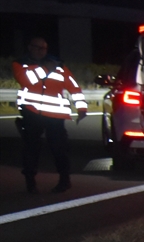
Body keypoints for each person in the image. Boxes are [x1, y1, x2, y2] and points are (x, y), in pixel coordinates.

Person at [11, 36, 87, 194]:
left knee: (59, 149)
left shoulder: (59, 66)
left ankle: (65, 180)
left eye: (43, 48)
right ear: (30, 47)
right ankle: (30, 182)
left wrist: (81, 108)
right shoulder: (21, 63)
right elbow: (26, 80)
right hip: (32, 113)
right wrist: (46, 69)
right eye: (37, 47)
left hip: (56, 115)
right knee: (31, 148)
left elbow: (73, 87)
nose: (40, 51)